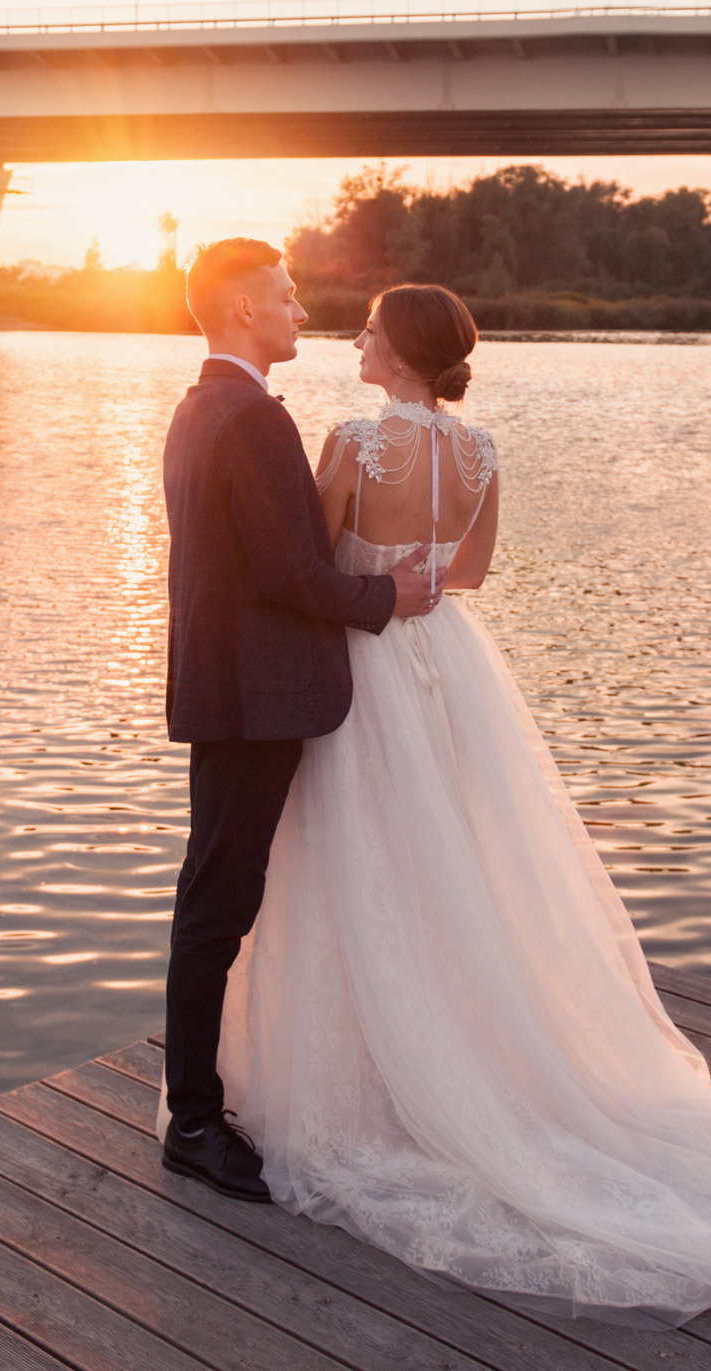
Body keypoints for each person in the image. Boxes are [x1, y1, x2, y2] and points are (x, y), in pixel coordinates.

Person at [204, 281, 711, 1341]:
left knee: (358, 860)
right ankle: (456, 1046)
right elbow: (471, 573)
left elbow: (314, 564)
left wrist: (374, 582)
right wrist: (415, 576)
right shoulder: (477, 452)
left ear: (403, 351)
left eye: (372, 329)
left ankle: (380, 1073)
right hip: (448, 663)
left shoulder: (351, 440)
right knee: (449, 860)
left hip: (367, 660)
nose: (357, 337)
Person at [157, 238, 438, 1203]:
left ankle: (199, 1104)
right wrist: (389, 595)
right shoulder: (255, 419)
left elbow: (250, 565)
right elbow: (293, 575)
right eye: (284, 296)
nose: (300, 311)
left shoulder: (202, 406)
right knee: (216, 906)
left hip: (230, 690)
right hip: (253, 699)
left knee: (214, 898)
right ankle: (194, 1123)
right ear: (243, 309)